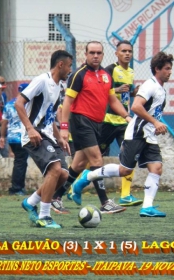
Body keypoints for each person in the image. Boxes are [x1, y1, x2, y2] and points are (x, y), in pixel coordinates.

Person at [74, 51, 174, 218]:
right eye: (167, 68)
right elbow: (135, 107)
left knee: (156, 168)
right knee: (124, 171)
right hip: (136, 134)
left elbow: (150, 112)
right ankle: (88, 175)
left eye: (170, 69)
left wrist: (155, 125)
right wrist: (156, 122)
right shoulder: (150, 85)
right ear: (157, 69)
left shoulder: (161, 89)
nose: (170, 72)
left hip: (149, 136)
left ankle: (147, 207)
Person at [59, 41, 131, 214]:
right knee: (97, 160)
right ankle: (105, 202)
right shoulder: (78, 75)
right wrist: (63, 126)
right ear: (86, 54)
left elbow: (112, 100)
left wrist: (127, 116)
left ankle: (55, 197)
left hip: (97, 123)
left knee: (79, 164)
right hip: (81, 122)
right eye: (92, 52)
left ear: (103, 55)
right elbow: (67, 102)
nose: (95, 56)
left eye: (98, 53)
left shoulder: (107, 75)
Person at [15, 50, 73, 228]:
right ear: (60, 65)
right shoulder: (42, 80)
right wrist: (30, 128)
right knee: (55, 170)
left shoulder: (59, 87)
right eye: (70, 66)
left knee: (63, 174)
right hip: (35, 135)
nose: (71, 70)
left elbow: (49, 118)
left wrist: (60, 138)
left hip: (47, 134)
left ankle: (30, 202)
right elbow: (19, 103)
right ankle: (44, 216)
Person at [100, 40, 141, 207]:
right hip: (108, 120)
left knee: (129, 154)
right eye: (123, 51)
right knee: (94, 156)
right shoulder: (110, 70)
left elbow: (126, 94)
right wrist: (116, 90)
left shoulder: (130, 71)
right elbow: (101, 89)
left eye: (130, 51)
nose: (127, 54)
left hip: (125, 121)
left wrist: (134, 92)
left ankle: (125, 194)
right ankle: (76, 186)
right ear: (116, 53)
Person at [0, 83, 29, 195]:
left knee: (20, 161)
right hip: (22, 136)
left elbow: (4, 122)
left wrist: (2, 136)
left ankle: (19, 186)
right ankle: (16, 188)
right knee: (21, 161)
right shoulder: (26, 104)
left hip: (12, 137)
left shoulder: (10, 104)